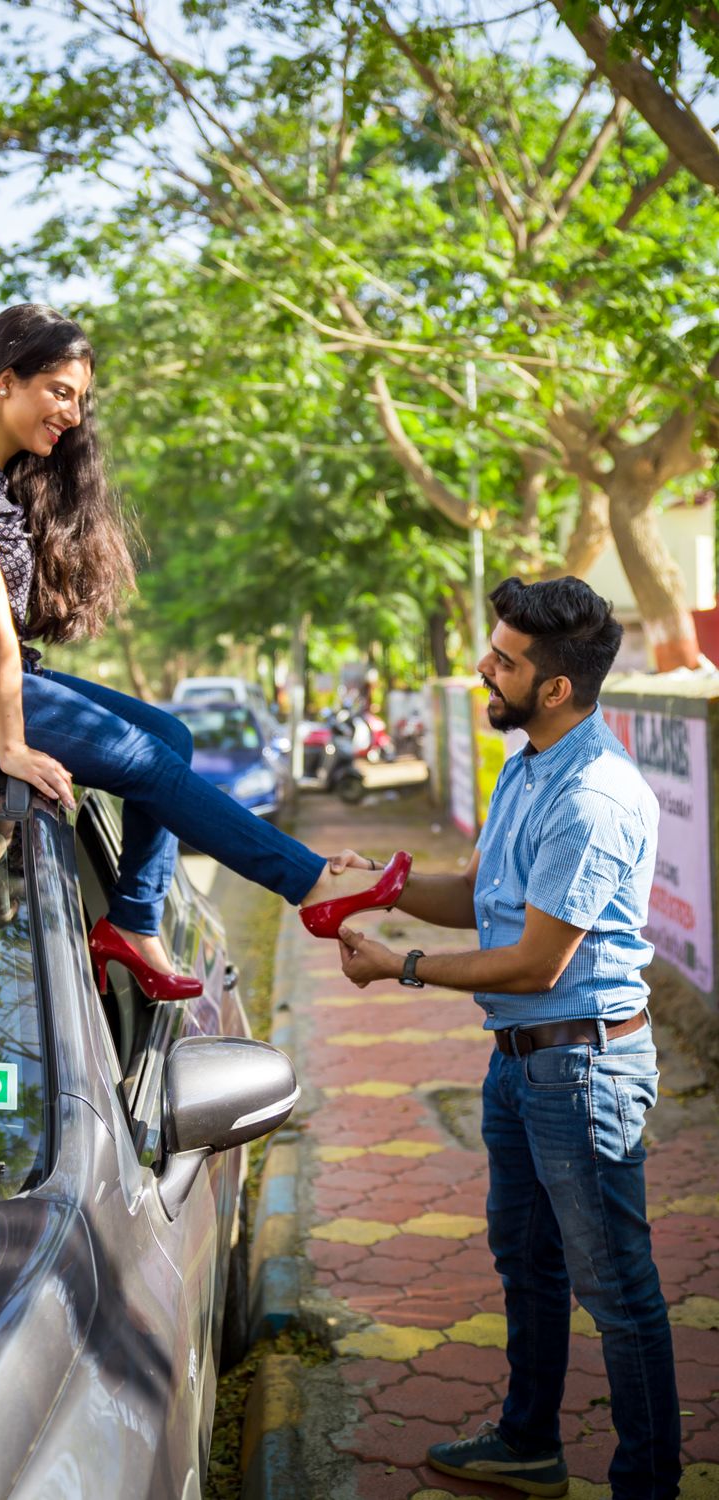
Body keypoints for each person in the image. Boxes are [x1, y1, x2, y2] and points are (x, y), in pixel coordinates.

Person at [0, 303, 409, 1000]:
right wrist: (12, 751)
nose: (72, 413)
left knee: (168, 735)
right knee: (144, 761)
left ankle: (131, 922)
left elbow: (1, 637)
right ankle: (307, 882)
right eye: (59, 392)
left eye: (80, 399)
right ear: (5, 380)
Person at [334, 576, 680, 1500]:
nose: (484, 669)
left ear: (556, 687)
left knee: (617, 1287)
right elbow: (481, 894)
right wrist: (383, 883)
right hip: (523, 1065)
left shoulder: (595, 796)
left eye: (504, 661)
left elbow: (533, 962)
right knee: (526, 1261)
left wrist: (399, 965)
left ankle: (648, 1482)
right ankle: (531, 1444)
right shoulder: (528, 761)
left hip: (585, 1067)